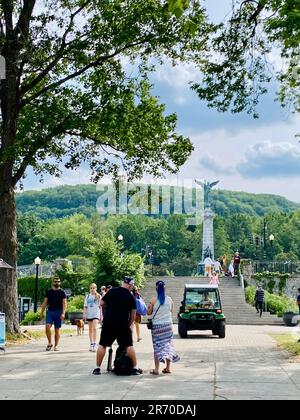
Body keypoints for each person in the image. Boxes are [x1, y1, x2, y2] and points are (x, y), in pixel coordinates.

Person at [92, 276, 142, 375]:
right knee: (128, 345)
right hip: (122, 323)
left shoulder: (112, 291)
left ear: (123, 283)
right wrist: (128, 325)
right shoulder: (130, 297)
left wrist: (110, 307)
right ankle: (136, 368)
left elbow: (101, 303)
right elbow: (133, 315)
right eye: (132, 285)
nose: (132, 287)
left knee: (103, 344)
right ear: (130, 285)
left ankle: (97, 368)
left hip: (109, 322)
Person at [148, 280, 179, 375]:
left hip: (157, 327)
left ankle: (156, 369)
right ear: (165, 288)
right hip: (168, 326)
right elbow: (171, 311)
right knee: (168, 345)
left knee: (157, 347)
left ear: (156, 289)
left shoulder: (153, 300)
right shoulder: (169, 299)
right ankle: (168, 368)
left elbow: (148, 313)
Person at [41, 276, 67, 352]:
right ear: (53, 282)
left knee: (57, 330)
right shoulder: (49, 292)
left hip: (58, 312)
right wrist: (42, 312)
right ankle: (49, 343)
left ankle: (56, 345)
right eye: (55, 281)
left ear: (60, 282)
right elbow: (45, 302)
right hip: (50, 312)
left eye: (58, 281)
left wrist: (63, 313)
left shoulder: (62, 292)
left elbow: (64, 303)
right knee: (47, 326)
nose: (57, 283)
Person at [83, 283, 101, 352]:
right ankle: (91, 343)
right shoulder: (87, 296)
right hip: (89, 314)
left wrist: (101, 316)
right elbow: (85, 306)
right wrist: (84, 314)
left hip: (96, 315)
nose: (92, 289)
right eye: (91, 288)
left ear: (96, 288)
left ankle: (94, 344)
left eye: (93, 288)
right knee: (90, 329)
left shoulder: (98, 296)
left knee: (94, 328)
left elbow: (100, 307)